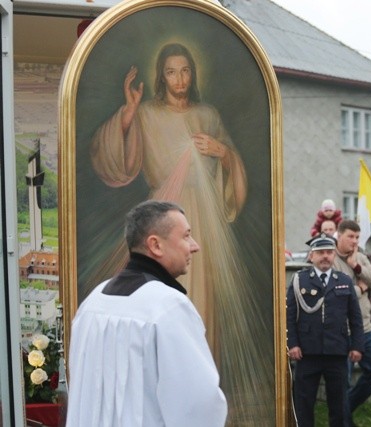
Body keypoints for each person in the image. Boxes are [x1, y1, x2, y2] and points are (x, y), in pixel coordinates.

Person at [90, 42, 267, 424]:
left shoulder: (208, 114)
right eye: (171, 72)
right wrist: (130, 112)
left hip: (204, 220)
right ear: (161, 76)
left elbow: (234, 176)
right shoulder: (149, 114)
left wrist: (223, 151)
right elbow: (117, 161)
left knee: (204, 305)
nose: (180, 79)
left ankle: (203, 391)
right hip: (164, 215)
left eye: (185, 71)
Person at [66, 201, 227, 426]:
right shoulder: (168, 306)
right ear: (156, 245)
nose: (194, 246)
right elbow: (199, 402)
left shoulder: (93, 302)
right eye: (186, 236)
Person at [286, 234, 364, 427]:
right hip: (307, 352)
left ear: (334, 256)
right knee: (304, 403)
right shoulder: (299, 281)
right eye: (320, 252)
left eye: (329, 252)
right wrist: (293, 344)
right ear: (311, 256)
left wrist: (357, 346)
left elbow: (355, 318)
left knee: (339, 404)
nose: (325, 256)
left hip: (336, 352)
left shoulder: (344, 280)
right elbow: (289, 316)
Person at [332, 220, 371, 425]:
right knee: (342, 380)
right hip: (341, 330)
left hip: (364, 328)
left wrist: (357, 266)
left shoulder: (360, 257)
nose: (354, 241)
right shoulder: (331, 258)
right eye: (350, 236)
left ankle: (344, 410)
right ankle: (343, 420)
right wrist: (361, 289)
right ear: (339, 235)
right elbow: (335, 292)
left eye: (357, 237)